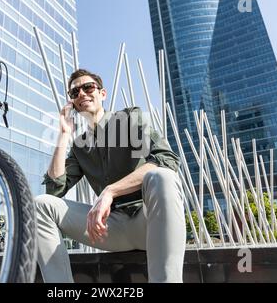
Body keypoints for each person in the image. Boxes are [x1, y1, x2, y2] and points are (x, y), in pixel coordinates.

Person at [35, 69, 186, 283]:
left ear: (102, 94)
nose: (82, 94)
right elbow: (54, 189)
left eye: (88, 87)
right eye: (75, 92)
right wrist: (64, 134)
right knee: (41, 204)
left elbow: (166, 160)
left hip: (150, 220)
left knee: (162, 177)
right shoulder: (80, 147)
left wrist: (110, 191)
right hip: (109, 229)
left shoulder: (128, 120)